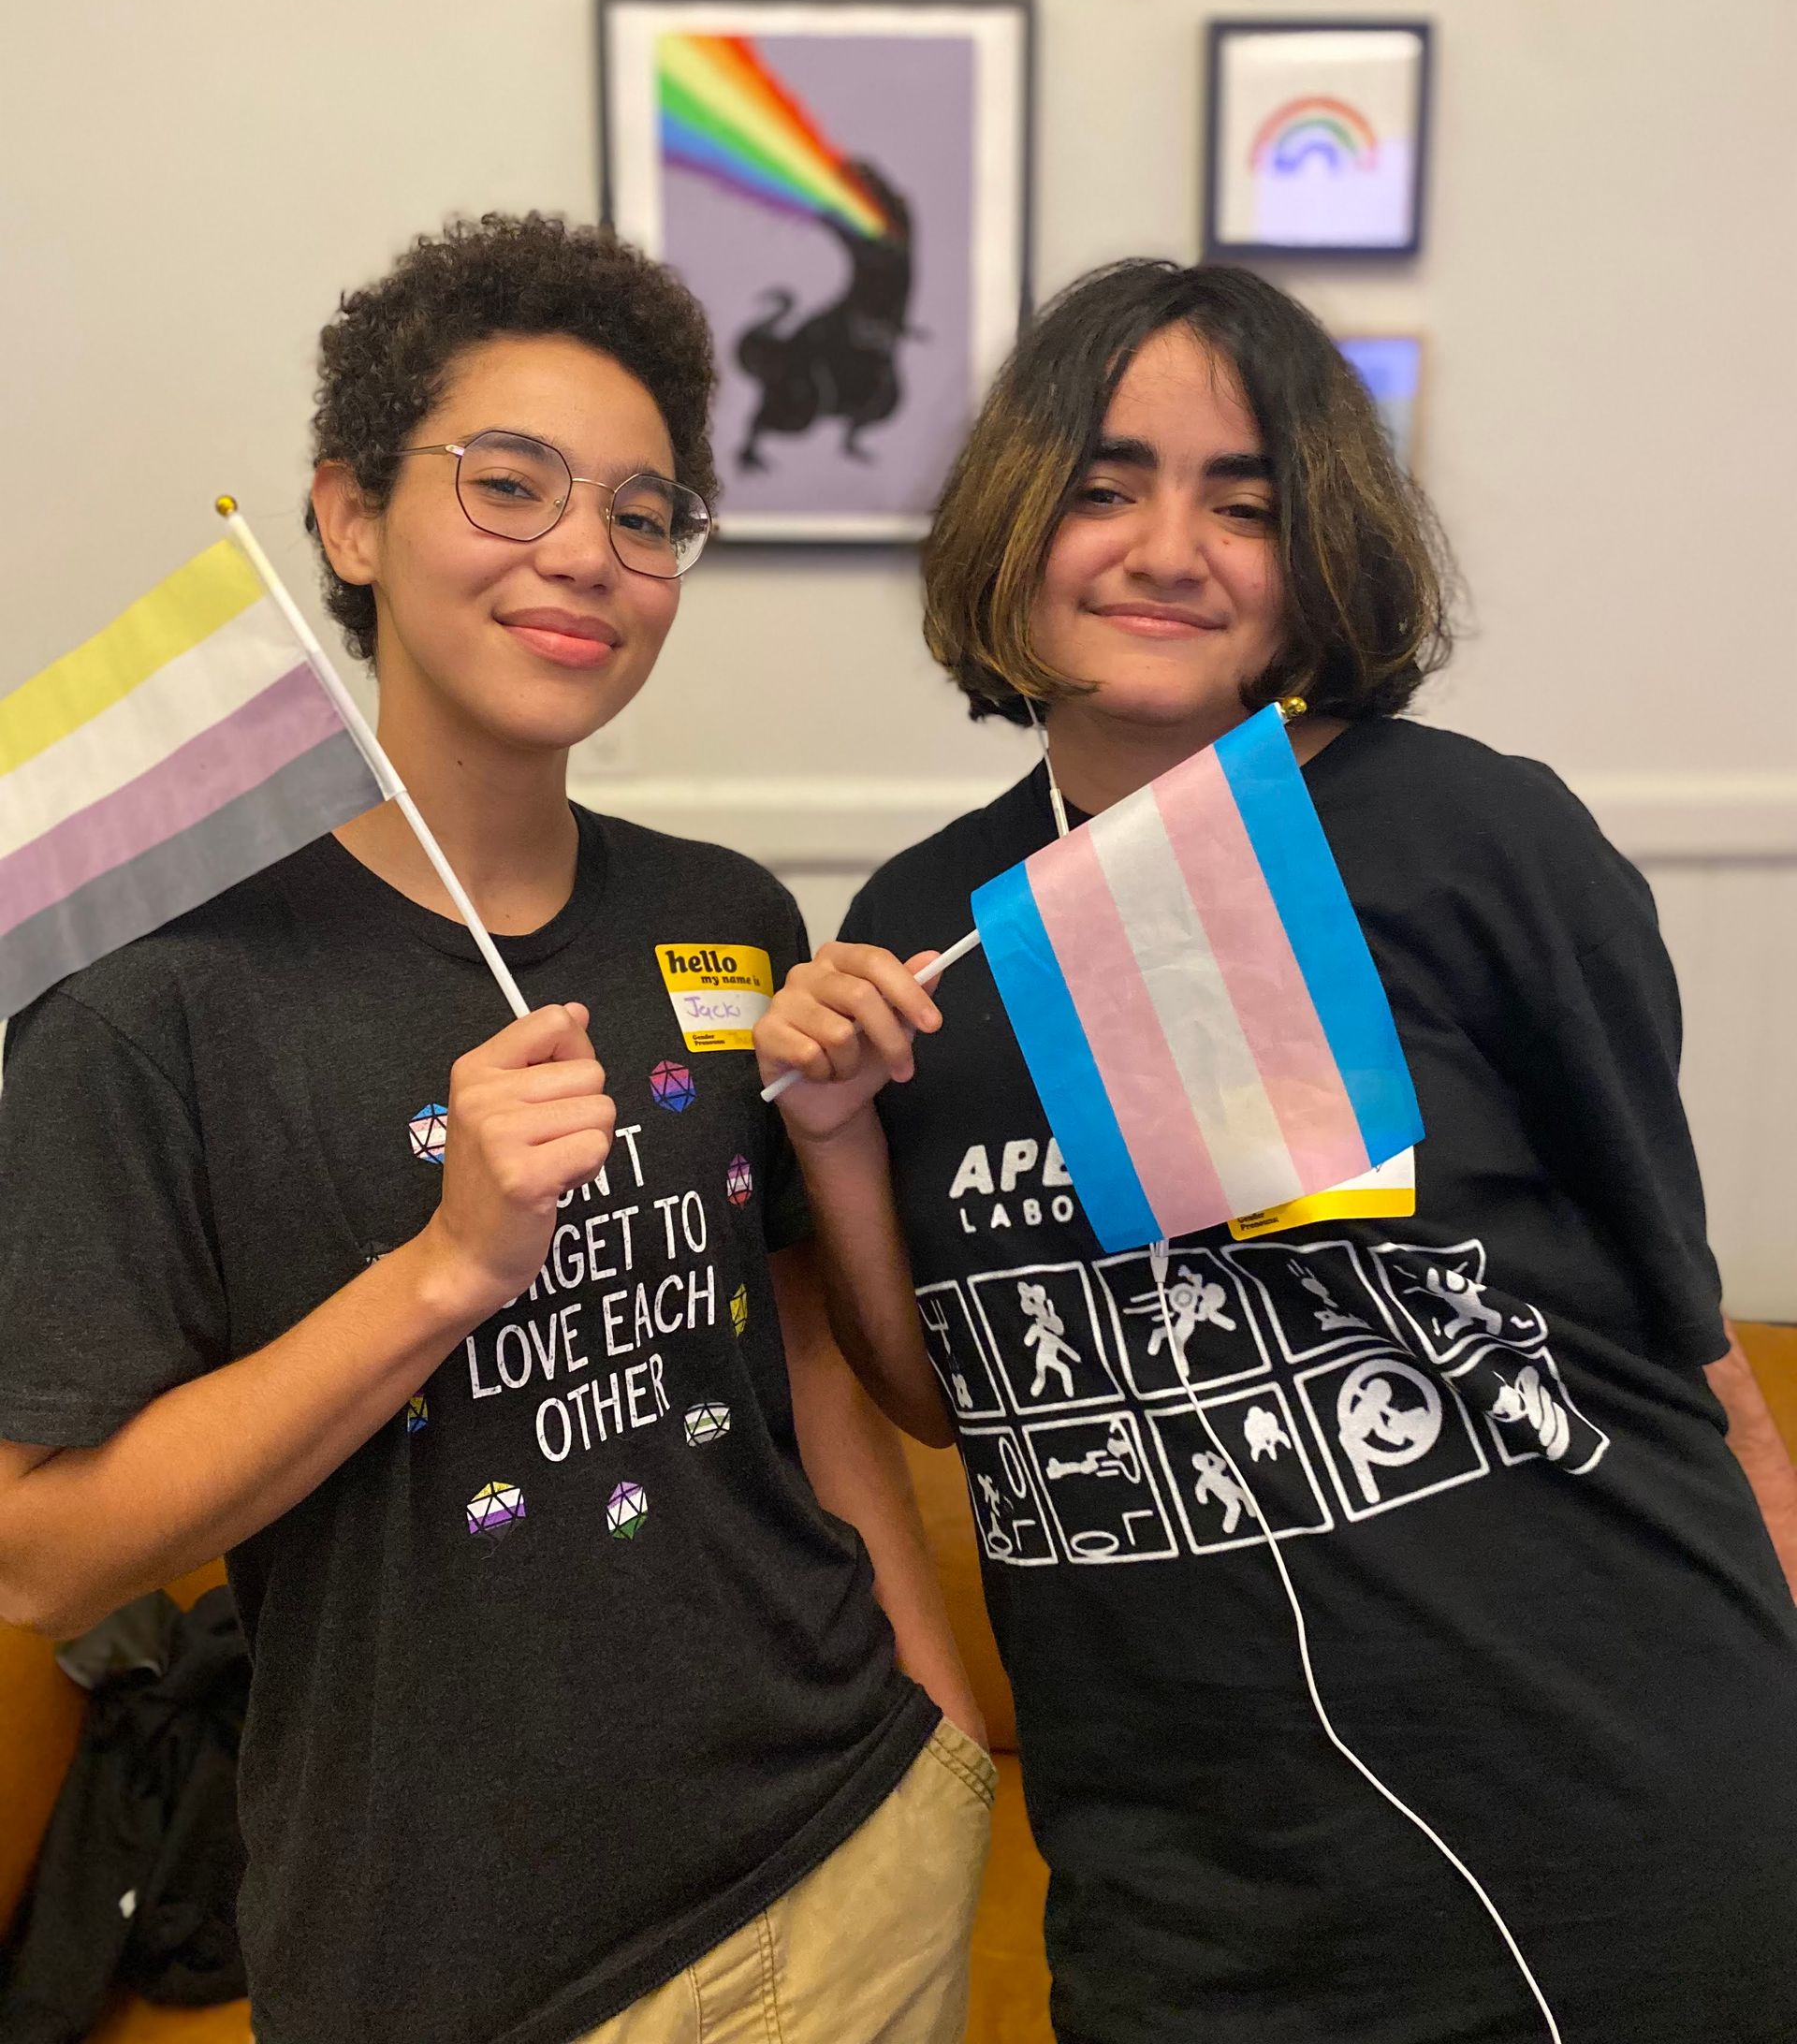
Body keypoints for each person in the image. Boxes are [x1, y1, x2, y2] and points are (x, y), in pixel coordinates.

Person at [753, 259, 1797, 2044]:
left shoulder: (1479, 838)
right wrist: (837, 1140)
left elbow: (1684, 1336)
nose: (1171, 548)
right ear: (1016, 518)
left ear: (1319, 557)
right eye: (1106, 484)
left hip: (1624, 1821)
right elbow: (952, 1402)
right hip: (1192, 1894)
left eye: (1245, 503)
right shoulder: (930, 923)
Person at [0, 214, 992, 2044]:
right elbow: (47, 1552)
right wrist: (448, 1266)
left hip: (842, 1843)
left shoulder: (729, 915)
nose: (584, 555)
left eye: (643, 511)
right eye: (511, 481)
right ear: (354, 518)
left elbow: (793, 1342)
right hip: (442, 1958)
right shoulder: (153, 992)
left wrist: (934, 1714)